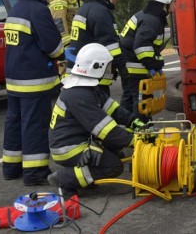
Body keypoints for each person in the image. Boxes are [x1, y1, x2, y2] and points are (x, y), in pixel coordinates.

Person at [48, 43, 144, 196]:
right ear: (97, 67)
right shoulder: (79, 94)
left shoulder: (87, 88)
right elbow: (106, 130)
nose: (111, 70)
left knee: (117, 146)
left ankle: (85, 174)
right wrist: (136, 141)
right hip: (68, 148)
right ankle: (65, 178)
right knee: (113, 166)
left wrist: (135, 122)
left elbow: (114, 110)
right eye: (108, 66)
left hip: (77, 140)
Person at [2, 0, 64, 186]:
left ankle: (11, 168)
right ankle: (35, 173)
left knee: (14, 123)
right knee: (34, 125)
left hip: (14, 79)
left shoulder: (16, 8)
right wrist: (64, 52)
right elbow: (53, 47)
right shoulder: (38, 10)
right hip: (34, 81)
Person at [119, 0, 182, 119]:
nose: (175, 4)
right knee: (142, 101)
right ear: (166, 0)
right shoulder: (152, 20)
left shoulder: (148, 16)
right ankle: (143, 133)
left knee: (130, 98)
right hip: (135, 67)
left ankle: (127, 130)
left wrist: (156, 62)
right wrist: (153, 65)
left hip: (128, 65)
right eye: (174, 1)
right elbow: (141, 47)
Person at [67, 0, 127, 95]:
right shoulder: (100, 12)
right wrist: (123, 68)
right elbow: (110, 45)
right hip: (93, 75)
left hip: (81, 71)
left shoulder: (86, 8)